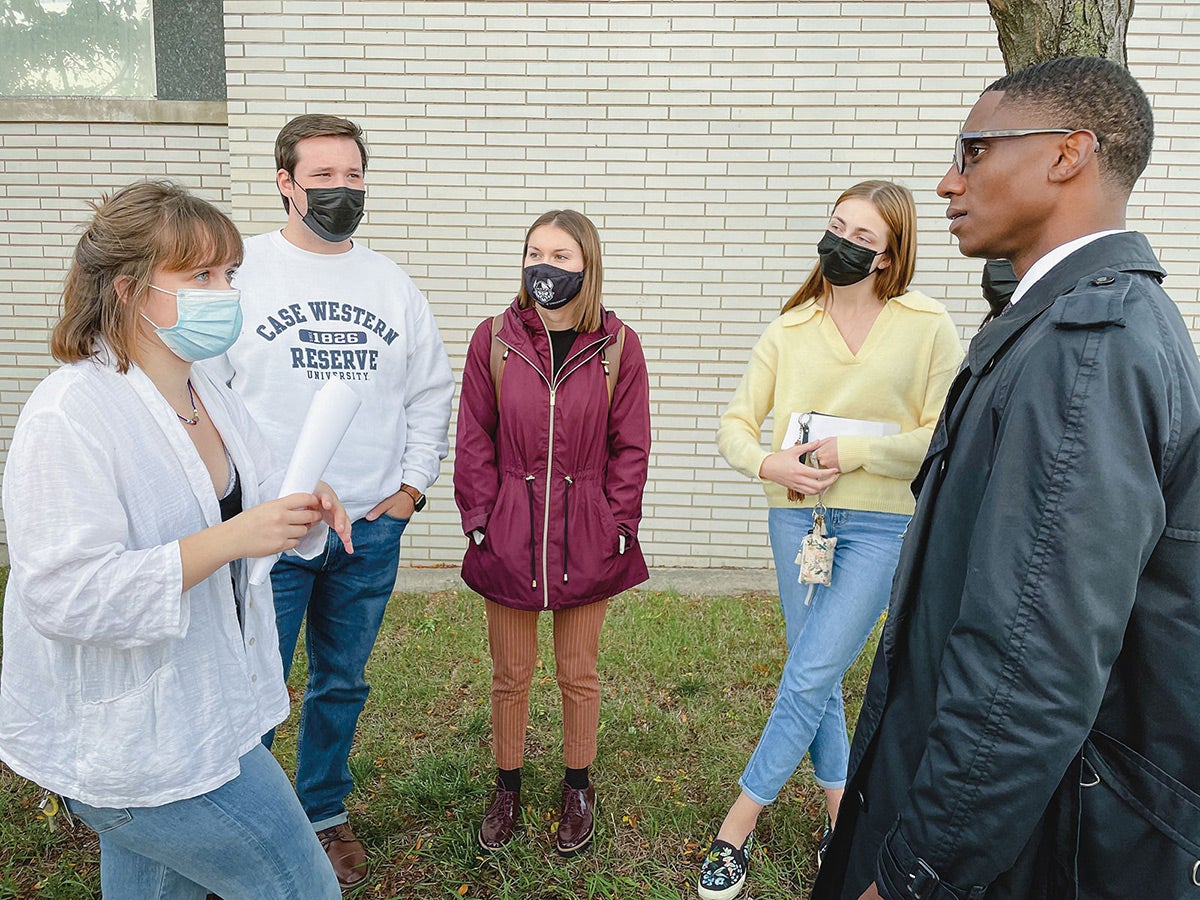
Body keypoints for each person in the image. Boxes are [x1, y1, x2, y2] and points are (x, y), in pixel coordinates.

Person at [812, 57, 1200, 900]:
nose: (948, 183)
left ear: (1069, 154)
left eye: (974, 150)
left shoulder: (1087, 348)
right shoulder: (1069, 323)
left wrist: (916, 871)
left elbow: (1030, 665)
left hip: (1014, 852)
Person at [0, 181, 352, 899]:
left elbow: (253, 511)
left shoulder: (205, 394)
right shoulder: (70, 414)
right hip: (140, 748)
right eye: (200, 276)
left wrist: (300, 510)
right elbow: (63, 595)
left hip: (207, 710)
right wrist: (229, 538)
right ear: (129, 290)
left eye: (228, 275)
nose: (224, 292)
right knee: (304, 888)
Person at [205, 114, 454, 887]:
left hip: (368, 529)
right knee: (256, 684)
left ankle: (320, 811)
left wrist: (410, 489)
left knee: (341, 680)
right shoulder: (241, 278)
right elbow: (208, 394)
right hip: (268, 530)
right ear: (285, 183)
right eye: (323, 178)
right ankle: (245, 818)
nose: (342, 191)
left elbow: (429, 391)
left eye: (353, 176)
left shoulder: (390, 283)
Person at [702, 180, 962, 900]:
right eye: (835, 225)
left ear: (887, 256)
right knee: (815, 675)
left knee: (812, 672)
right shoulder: (789, 328)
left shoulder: (926, 325)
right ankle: (841, 818)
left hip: (881, 525)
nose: (840, 242)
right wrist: (768, 461)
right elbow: (732, 426)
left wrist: (855, 453)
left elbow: (943, 434)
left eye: (861, 236)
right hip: (797, 522)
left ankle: (737, 824)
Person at [454, 209, 651, 855]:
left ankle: (577, 785)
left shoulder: (617, 345)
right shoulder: (494, 340)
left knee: (578, 672)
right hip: (508, 525)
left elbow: (632, 445)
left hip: (588, 530)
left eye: (561, 256)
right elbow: (473, 439)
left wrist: (619, 520)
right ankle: (507, 786)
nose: (545, 266)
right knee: (511, 673)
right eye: (536, 252)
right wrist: (480, 518)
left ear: (586, 266)